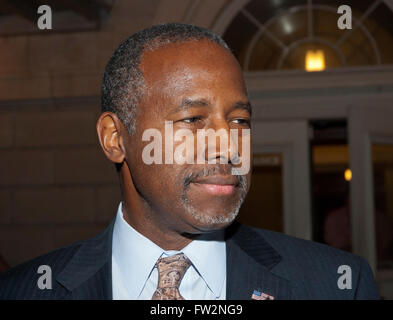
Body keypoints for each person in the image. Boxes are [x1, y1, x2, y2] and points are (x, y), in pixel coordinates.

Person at [0, 23, 379, 300]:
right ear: (115, 140)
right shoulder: (25, 291)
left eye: (240, 121)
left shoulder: (335, 285)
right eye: (193, 120)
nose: (229, 145)